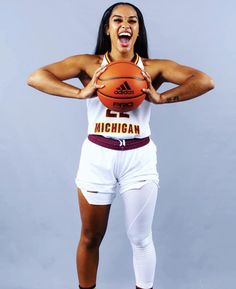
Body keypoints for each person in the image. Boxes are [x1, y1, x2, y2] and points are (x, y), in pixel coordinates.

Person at [27, 2, 214, 289]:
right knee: (90, 236)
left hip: (138, 156)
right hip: (97, 155)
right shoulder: (89, 64)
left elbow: (204, 80)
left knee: (141, 238)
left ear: (138, 30)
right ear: (108, 28)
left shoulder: (152, 68)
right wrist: (80, 92)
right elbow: (36, 77)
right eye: (117, 20)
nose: (125, 24)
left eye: (132, 20)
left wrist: (163, 98)